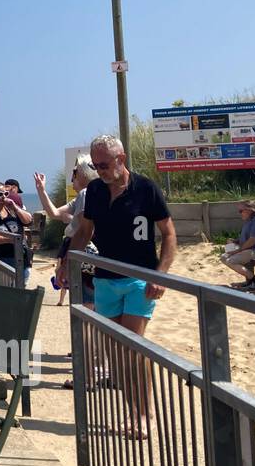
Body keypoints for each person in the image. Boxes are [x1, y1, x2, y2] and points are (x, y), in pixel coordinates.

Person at [69, 134, 177, 437]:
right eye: (96, 165)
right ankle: (133, 412)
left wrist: (161, 274)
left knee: (132, 346)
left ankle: (146, 415)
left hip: (139, 279)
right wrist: (68, 261)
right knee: (116, 354)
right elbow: (85, 230)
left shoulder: (146, 189)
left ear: (122, 158)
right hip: (105, 280)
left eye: (104, 164)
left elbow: (169, 234)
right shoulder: (94, 191)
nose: (100, 170)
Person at [33, 158, 97, 309]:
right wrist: (41, 190)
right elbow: (54, 213)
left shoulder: (86, 194)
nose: (72, 177)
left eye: (75, 172)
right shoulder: (82, 197)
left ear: (84, 174)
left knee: (86, 303)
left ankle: (86, 332)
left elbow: (85, 231)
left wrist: (66, 264)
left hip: (83, 253)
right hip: (86, 254)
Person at [221, 201, 255, 291]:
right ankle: (250, 281)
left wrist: (237, 250)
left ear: (249, 210)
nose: (240, 213)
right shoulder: (250, 221)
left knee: (231, 261)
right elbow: (247, 240)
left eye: (241, 211)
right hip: (251, 249)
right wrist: (235, 241)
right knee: (224, 257)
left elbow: (253, 241)